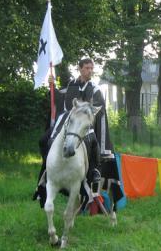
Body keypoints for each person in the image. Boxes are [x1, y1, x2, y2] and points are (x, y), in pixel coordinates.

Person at [34, 58, 114, 205]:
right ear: (80, 69)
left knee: (93, 142)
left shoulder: (94, 89)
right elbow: (59, 97)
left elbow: (97, 110)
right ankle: (48, 166)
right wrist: (51, 86)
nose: (90, 71)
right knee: (44, 140)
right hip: (67, 122)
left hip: (84, 124)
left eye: (91, 68)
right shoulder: (71, 85)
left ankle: (94, 171)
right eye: (87, 68)